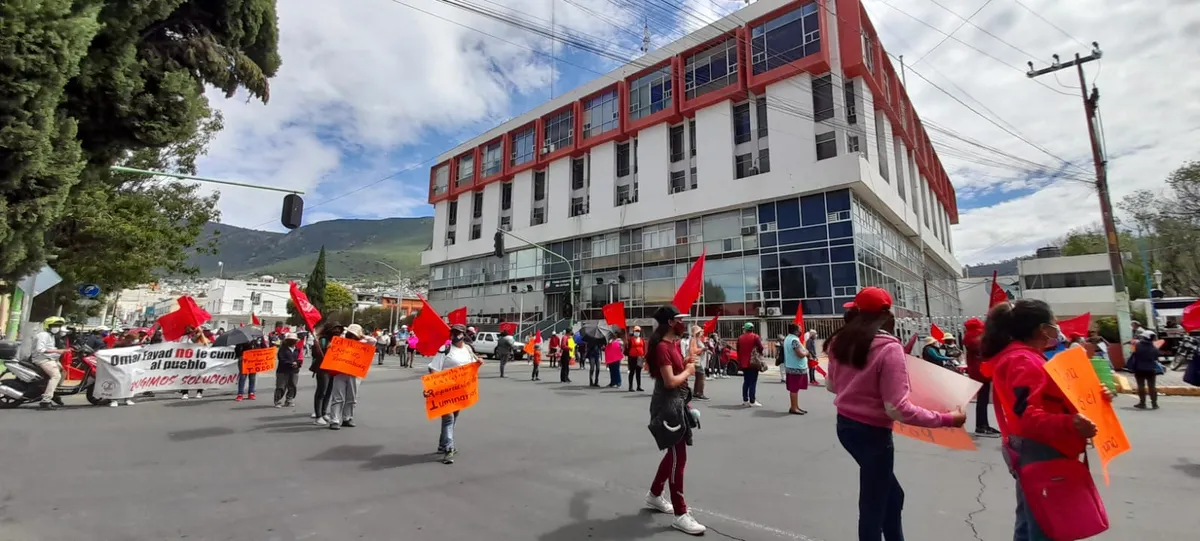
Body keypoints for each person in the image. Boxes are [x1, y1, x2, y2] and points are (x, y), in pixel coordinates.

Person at [827, 287, 966, 541]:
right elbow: (897, 408)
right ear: (887, 313)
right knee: (874, 504)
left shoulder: (840, 341)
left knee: (891, 496)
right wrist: (948, 420)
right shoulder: (888, 348)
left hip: (846, 427)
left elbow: (832, 385)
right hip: (873, 435)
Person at [983, 299, 1112, 540]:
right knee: (1047, 525)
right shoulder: (1022, 360)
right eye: (1053, 324)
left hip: (1038, 449)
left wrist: (1096, 396)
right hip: (1043, 450)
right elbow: (1027, 415)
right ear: (1042, 329)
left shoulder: (1028, 357)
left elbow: (1056, 397)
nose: (1056, 329)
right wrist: (1070, 423)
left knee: (1033, 520)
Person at [643, 305, 705, 535]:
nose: (684, 323)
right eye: (680, 320)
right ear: (670, 322)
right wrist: (689, 371)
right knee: (679, 457)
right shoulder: (661, 347)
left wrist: (689, 359)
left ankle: (654, 494)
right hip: (668, 408)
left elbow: (677, 368)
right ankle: (680, 513)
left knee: (673, 455)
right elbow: (670, 381)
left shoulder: (672, 346)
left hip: (678, 405)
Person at [428, 324, 483, 464]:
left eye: (457, 333)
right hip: (445, 390)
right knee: (448, 419)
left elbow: (471, 367)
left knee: (454, 417)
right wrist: (436, 385)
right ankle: (448, 449)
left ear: (463, 335)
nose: (454, 335)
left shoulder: (468, 350)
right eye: (452, 332)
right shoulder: (445, 349)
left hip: (460, 391)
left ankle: (443, 444)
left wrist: (478, 364)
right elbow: (433, 368)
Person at [328, 324, 374, 430]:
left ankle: (347, 418)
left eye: (354, 334)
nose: (351, 336)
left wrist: (362, 336)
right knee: (338, 397)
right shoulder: (340, 341)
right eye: (350, 333)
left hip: (355, 372)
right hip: (340, 372)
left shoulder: (363, 343)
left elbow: (373, 341)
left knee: (352, 397)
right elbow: (331, 347)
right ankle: (334, 420)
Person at [963, 318, 999, 438]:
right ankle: (981, 425)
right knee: (982, 400)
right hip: (981, 372)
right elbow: (986, 352)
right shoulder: (976, 339)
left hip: (977, 372)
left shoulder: (971, 338)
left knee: (982, 400)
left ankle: (984, 424)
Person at [309, 324, 342, 425]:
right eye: (335, 329)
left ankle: (323, 413)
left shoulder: (338, 340)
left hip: (333, 368)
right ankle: (318, 416)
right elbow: (315, 353)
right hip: (323, 369)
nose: (337, 331)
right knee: (321, 392)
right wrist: (322, 349)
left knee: (328, 391)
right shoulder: (322, 340)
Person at [32, 317, 68, 410]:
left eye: (58, 326)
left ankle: (53, 392)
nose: (57, 328)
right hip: (42, 359)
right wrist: (58, 351)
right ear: (48, 326)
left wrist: (63, 351)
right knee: (56, 376)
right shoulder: (43, 335)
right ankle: (46, 401)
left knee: (64, 372)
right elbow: (40, 349)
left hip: (50, 359)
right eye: (54, 326)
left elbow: (51, 348)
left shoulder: (50, 335)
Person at [1129, 330, 1162, 410]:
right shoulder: (1154, 348)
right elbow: (1156, 358)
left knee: (1141, 386)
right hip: (1151, 369)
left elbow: (1133, 353)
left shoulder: (1137, 345)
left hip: (1139, 368)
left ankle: (1142, 403)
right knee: (1152, 386)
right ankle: (1154, 404)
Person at [782, 323, 809, 415]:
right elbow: (800, 354)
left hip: (791, 366)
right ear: (796, 331)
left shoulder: (788, 338)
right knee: (794, 388)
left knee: (794, 389)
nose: (801, 331)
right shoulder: (794, 340)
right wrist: (806, 352)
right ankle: (794, 407)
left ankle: (795, 406)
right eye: (800, 329)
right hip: (796, 367)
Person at [736, 322, 764, 407]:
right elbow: (761, 348)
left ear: (745, 329)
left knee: (746, 382)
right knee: (753, 382)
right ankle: (752, 400)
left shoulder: (740, 337)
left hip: (744, 362)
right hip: (753, 362)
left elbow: (738, 349)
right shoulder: (755, 337)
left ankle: (745, 400)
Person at [179, 326, 209, 400]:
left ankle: (199, 392)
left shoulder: (202, 336)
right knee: (186, 376)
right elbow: (188, 343)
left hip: (199, 359)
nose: (187, 329)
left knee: (199, 376)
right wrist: (197, 335)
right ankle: (185, 393)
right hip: (187, 360)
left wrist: (201, 335)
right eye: (187, 328)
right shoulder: (184, 337)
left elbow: (207, 345)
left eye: (190, 328)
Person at [274, 333, 302, 407]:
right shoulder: (282, 349)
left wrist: (297, 363)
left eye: (294, 340)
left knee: (293, 386)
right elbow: (281, 359)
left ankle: (289, 399)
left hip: (294, 371)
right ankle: (278, 401)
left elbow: (300, 359)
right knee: (281, 386)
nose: (293, 342)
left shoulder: (297, 349)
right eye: (291, 340)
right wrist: (290, 363)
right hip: (283, 371)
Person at [688, 326, 709, 401]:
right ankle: (700, 393)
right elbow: (693, 351)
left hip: (700, 360)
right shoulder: (693, 340)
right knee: (701, 377)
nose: (701, 333)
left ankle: (696, 392)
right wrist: (702, 349)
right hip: (698, 360)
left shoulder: (697, 339)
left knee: (698, 377)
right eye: (700, 331)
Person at [627, 326, 646, 391]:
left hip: (640, 357)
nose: (637, 332)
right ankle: (630, 387)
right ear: (634, 332)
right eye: (636, 331)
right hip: (632, 357)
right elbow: (628, 348)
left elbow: (644, 348)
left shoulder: (642, 340)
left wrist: (644, 356)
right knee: (632, 372)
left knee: (638, 372)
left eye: (638, 331)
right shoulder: (630, 339)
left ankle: (638, 386)